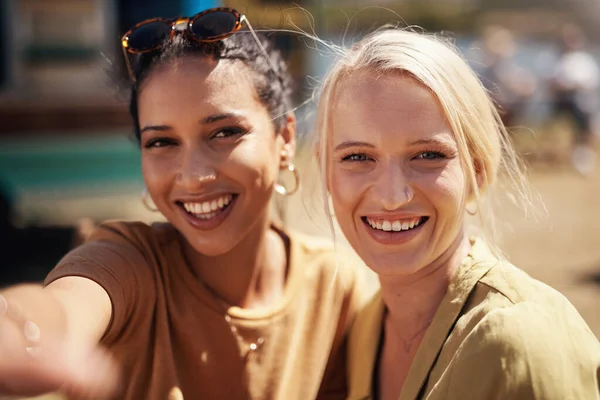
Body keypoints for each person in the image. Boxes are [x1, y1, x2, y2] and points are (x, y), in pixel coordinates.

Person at [0, 8, 363, 400]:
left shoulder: (336, 288)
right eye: (162, 142)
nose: (192, 176)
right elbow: (66, 306)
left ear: (285, 139)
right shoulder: (131, 264)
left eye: (224, 132)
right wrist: (22, 331)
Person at [313, 28, 600, 399]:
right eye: (357, 157)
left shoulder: (520, 341)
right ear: (325, 172)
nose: (392, 196)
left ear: (478, 170)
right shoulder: (367, 327)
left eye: (428, 155)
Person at [548, 24, 599, 176]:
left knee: (586, 108)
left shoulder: (585, 60)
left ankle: (582, 152)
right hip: (562, 102)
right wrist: (570, 87)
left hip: (584, 101)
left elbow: (592, 84)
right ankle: (582, 152)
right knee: (581, 109)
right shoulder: (555, 59)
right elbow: (551, 85)